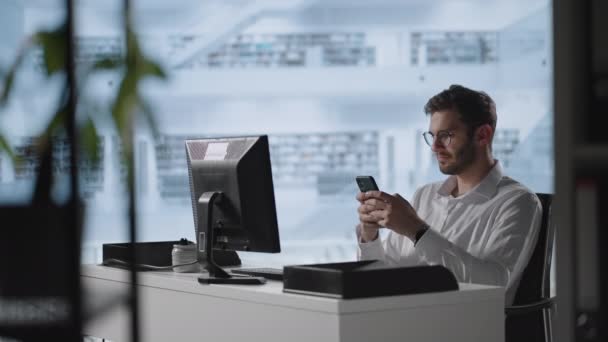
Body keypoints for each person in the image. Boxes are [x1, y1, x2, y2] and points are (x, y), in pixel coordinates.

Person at [356, 84, 541, 305]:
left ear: (483, 135)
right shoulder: (424, 195)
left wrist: (417, 230)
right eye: (432, 136)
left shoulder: (517, 202)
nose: (434, 147)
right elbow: (380, 278)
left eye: (446, 136)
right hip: (405, 321)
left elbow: (494, 285)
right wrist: (370, 235)